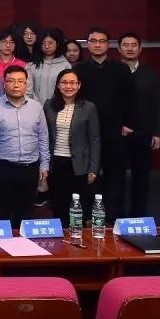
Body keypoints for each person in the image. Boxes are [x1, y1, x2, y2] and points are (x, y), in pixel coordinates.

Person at [73, 27, 136, 223]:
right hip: (86, 131)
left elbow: (131, 98)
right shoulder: (79, 69)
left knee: (115, 176)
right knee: (85, 175)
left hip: (115, 130)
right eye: (93, 41)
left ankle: (114, 216)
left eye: (102, 41)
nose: (97, 45)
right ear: (88, 44)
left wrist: (128, 123)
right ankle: (85, 217)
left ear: (108, 45)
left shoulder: (121, 68)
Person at [0, 65, 49, 226]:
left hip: (30, 168)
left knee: (25, 213)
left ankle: (23, 242)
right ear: (4, 84)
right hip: (2, 167)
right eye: (11, 81)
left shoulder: (36, 107)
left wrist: (44, 165)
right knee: (2, 212)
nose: (16, 85)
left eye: (20, 81)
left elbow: (43, 137)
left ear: (26, 84)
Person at [44, 69, 100, 224]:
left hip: (79, 164)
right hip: (56, 162)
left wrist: (94, 167)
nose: (68, 86)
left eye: (73, 83)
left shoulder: (88, 107)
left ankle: (76, 235)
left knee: (78, 205)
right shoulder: (49, 105)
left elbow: (94, 139)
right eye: (64, 82)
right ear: (58, 85)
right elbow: (43, 135)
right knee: (58, 203)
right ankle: (60, 236)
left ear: (79, 85)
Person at [118, 32, 160, 217]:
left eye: (134, 45)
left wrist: (157, 133)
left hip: (143, 133)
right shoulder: (113, 71)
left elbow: (157, 104)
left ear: (140, 49)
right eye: (126, 45)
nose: (130, 48)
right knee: (116, 178)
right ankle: (116, 216)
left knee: (141, 177)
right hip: (118, 133)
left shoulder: (150, 74)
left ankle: (138, 216)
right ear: (119, 48)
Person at [26, 28, 70, 104]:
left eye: (50, 43)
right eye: (43, 43)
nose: (46, 46)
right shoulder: (32, 65)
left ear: (57, 43)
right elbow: (27, 90)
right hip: (35, 107)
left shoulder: (65, 65)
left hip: (57, 107)